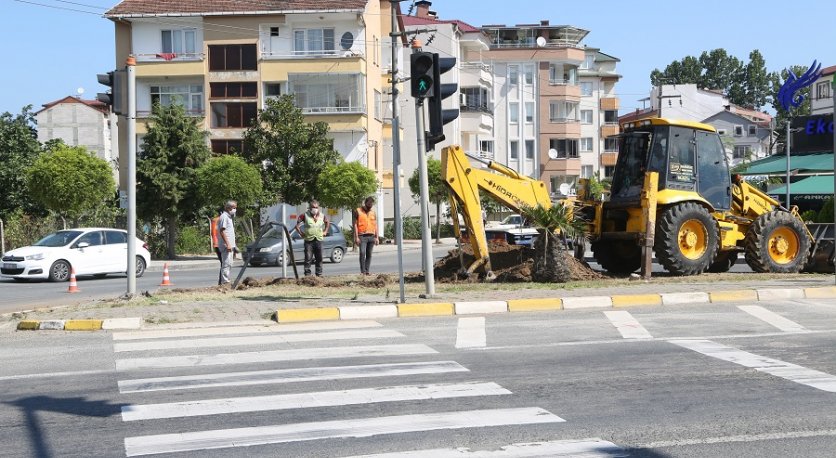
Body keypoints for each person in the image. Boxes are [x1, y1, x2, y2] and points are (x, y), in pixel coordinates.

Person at [295, 199, 330, 277]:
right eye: (313, 207)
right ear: (310, 208)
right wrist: (301, 233)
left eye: (316, 207)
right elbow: (297, 226)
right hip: (309, 241)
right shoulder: (304, 215)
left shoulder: (322, 215)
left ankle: (319, 274)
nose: (315, 209)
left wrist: (325, 231)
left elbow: (327, 223)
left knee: (319, 258)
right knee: (308, 258)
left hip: (319, 240)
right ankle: (307, 275)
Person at [353, 196, 379, 276]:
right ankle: (363, 271)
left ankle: (367, 271)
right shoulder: (358, 211)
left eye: (371, 204)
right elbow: (355, 225)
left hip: (371, 236)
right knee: (362, 252)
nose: (370, 205)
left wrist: (377, 237)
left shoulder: (373, 212)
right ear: (365, 203)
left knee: (369, 254)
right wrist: (356, 237)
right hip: (362, 236)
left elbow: (375, 225)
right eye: (369, 203)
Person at [216, 200, 238, 285]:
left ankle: (226, 280)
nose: (235, 210)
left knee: (229, 264)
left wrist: (233, 245)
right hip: (226, 245)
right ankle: (225, 282)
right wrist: (228, 244)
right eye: (234, 208)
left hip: (230, 245)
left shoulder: (228, 217)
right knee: (226, 264)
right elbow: (222, 231)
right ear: (229, 208)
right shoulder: (224, 217)